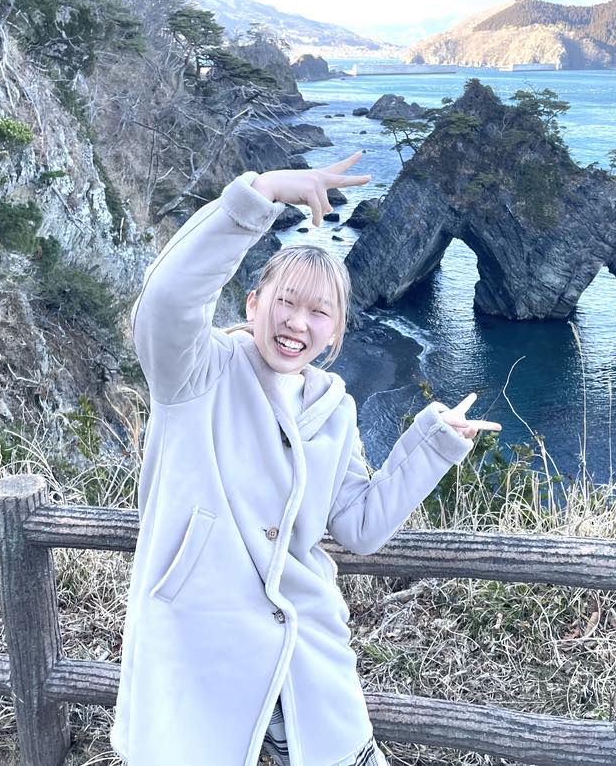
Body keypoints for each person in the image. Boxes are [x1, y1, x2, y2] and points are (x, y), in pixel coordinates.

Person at [110, 151, 501, 766]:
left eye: (320, 312)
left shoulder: (334, 409)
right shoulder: (195, 372)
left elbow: (359, 525)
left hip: (306, 646)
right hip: (200, 639)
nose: (298, 322)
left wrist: (433, 444)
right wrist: (258, 196)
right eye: (286, 302)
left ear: (337, 332)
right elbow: (166, 300)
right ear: (252, 305)